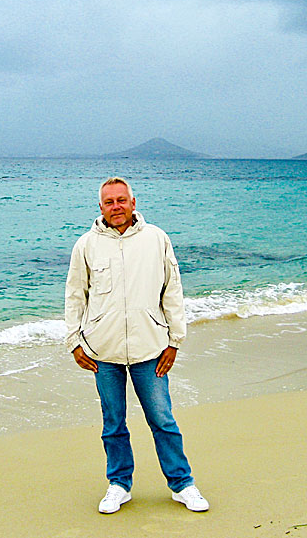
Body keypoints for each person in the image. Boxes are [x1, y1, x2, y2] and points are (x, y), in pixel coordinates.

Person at [64, 176, 209, 514]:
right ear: (100, 207)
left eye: (121, 200)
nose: (116, 207)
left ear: (133, 202)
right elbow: (75, 296)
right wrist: (74, 342)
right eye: (109, 202)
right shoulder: (85, 245)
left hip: (151, 348)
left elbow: (172, 291)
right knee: (113, 422)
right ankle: (119, 484)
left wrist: (175, 340)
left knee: (162, 418)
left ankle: (182, 484)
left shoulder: (156, 239)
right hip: (103, 351)